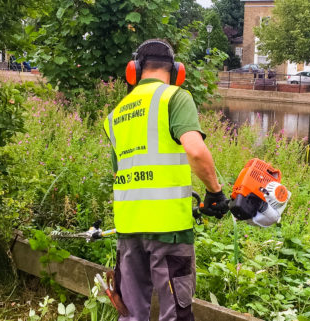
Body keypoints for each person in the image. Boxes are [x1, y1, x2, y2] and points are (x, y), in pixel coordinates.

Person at [102, 39, 230, 321]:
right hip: (169, 229)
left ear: (134, 71)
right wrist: (215, 192)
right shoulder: (174, 97)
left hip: (128, 229)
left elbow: (119, 173)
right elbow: (195, 151)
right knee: (175, 315)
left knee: (130, 315)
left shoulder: (116, 115)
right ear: (177, 72)